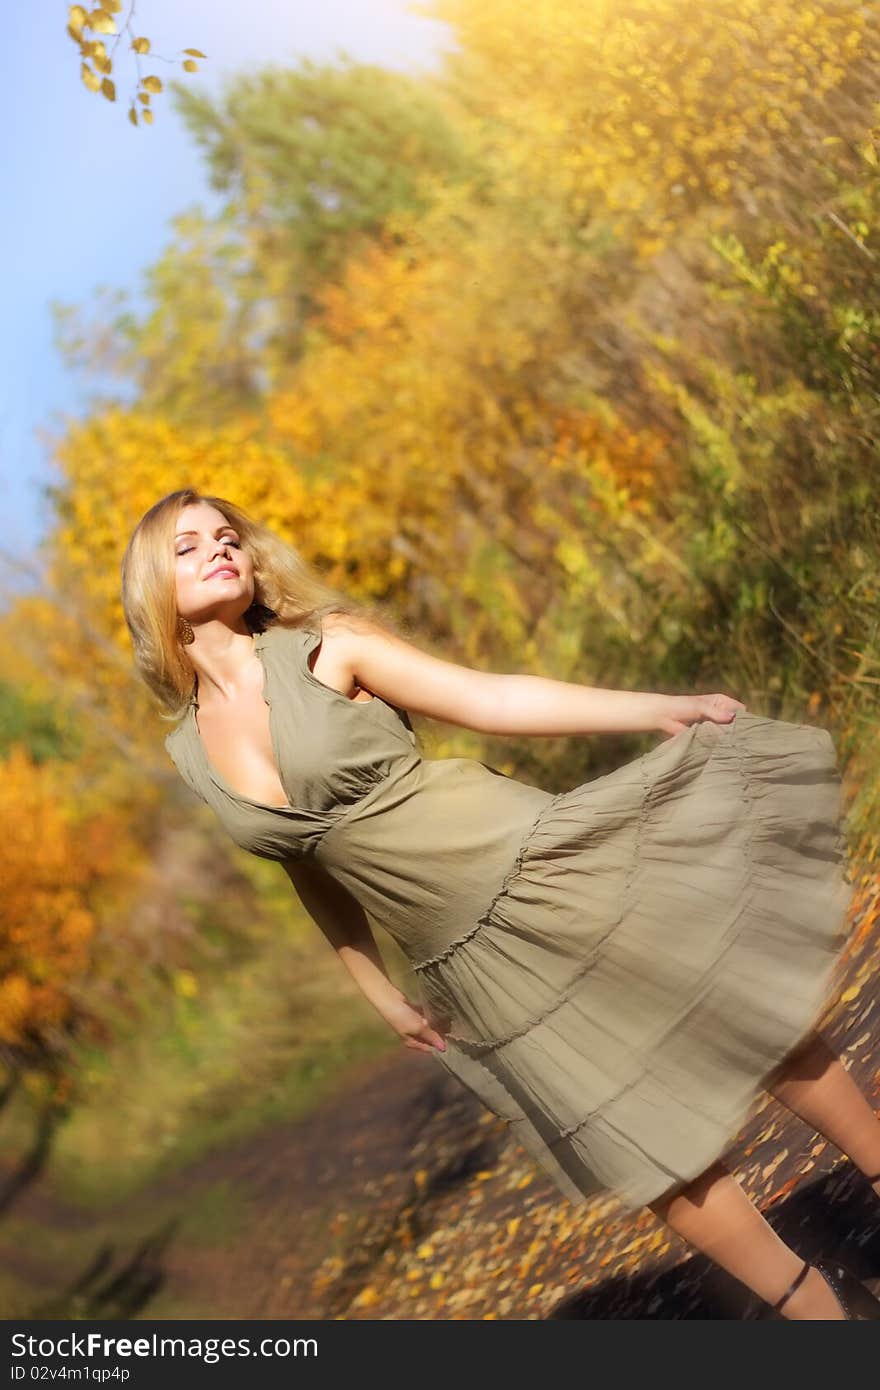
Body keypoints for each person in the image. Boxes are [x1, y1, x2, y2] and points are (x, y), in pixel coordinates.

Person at [122, 487, 880, 1320]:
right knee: (634, 1132)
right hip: (464, 959)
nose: (219, 550)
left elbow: (491, 698)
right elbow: (309, 864)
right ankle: (818, 1311)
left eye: (228, 537)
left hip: (531, 867)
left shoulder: (324, 647)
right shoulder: (190, 749)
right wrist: (377, 990)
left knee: (731, 1015)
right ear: (153, 586)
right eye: (189, 546)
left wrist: (661, 707)